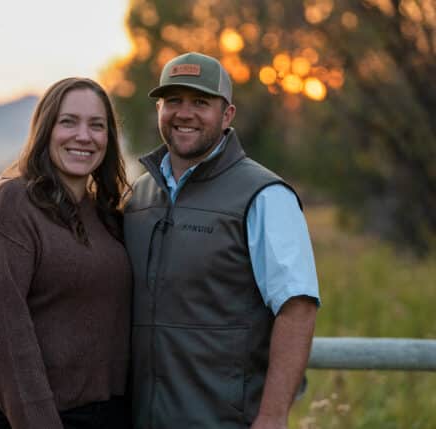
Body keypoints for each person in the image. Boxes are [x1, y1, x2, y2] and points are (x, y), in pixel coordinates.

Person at [123, 52, 320, 429]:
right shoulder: (137, 197)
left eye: (200, 102)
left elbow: (298, 308)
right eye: (174, 101)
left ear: (227, 114)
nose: (185, 113)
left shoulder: (264, 195)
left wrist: (273, 416)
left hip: (226, 420)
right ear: (159, 109)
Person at [0, 77, 133, 429]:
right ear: (44, 129)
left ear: (108, 139)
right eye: (68, 122)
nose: (83, 136)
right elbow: (4, 336)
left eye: (96, 125)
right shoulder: (9, 206)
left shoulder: (105, 214)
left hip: (100, 415)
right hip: (22, 416)